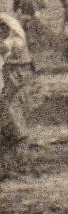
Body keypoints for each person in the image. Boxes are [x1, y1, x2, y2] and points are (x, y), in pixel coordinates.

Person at [0, 11, 28, 149]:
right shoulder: (8, 22)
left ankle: (17, 135)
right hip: (12, 68)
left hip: (14, 69)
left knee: (9, 102)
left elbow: (6, 48)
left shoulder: (9, 29)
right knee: (9, 102)